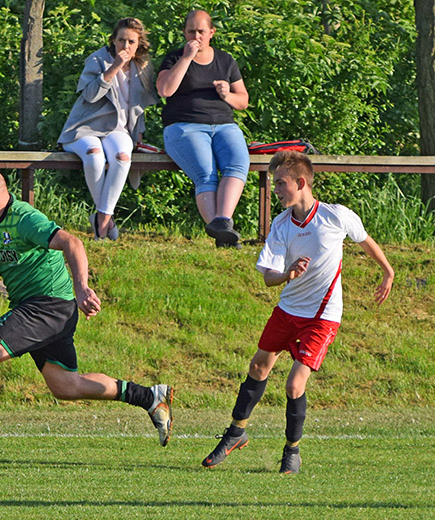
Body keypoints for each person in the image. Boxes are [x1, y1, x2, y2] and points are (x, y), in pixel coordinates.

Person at [0, 165, 174, 467]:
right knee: (65, 386)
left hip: (49, 305)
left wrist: (82, 288)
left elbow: (73, 243)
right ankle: (148, 397)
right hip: (36, 306)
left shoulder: (24, 218)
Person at [201, 151, 394, 473]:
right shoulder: (280, 224)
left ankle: (292, 450)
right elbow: (267, 278)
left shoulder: (336, 216)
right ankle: (236, 432)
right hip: (288, 309)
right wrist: (287, 274)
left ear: (300, 182)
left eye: (280, 183)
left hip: (322, 316)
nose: (275, 189)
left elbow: (365, 240)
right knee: (258, 367)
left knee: (294, 384)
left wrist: (388, 271)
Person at [58, 17, 159, 241]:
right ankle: (106, 224)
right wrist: (114, 68)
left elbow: (139, 107)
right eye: (121, 40)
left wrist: (139, 136)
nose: (125, 46)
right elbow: (90, 95)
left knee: (123, 157)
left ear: (139, 44)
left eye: (131, 42)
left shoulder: (142, 67)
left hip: (119, 130)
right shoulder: (97, 59)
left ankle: (101, 218)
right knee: (94, 156)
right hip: (86, 127)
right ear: (113, 40)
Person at [156, 10, 249, 248]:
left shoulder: (225, 60)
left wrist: (227, 94)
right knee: (206, 174)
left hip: (224, 125)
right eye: (191, 31)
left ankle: (222, 224)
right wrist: (186, 58)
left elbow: (243, 101)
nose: (196, 36)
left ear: (211, 33)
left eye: (201, 31)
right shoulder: (174, 57)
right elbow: (165, 90)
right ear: (184, 32)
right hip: (185, 126)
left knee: (237, 164)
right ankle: (223, 235)